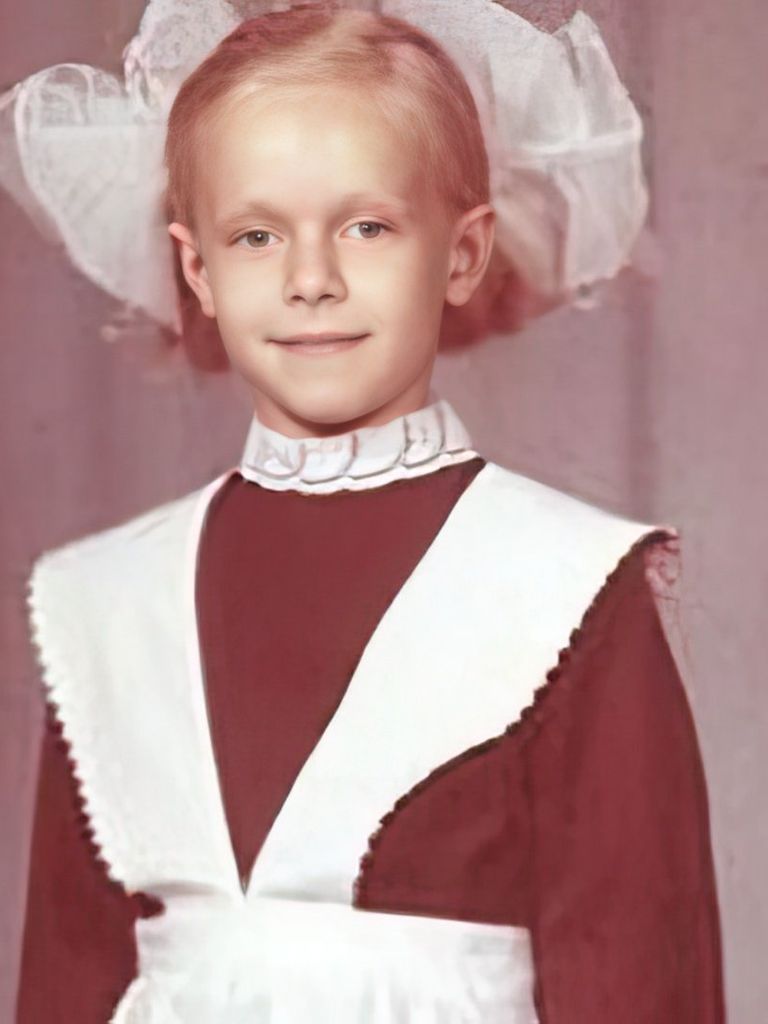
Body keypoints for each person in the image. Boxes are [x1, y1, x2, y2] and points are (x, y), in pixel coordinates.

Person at [12, 2, 725, 1021]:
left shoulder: (566, 588)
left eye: (367, 227)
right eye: (258, 235)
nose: (312, 279)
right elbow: (65, 978)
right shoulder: (106, 604)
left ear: (463, 253)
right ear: (198, 268)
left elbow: (643, 983)